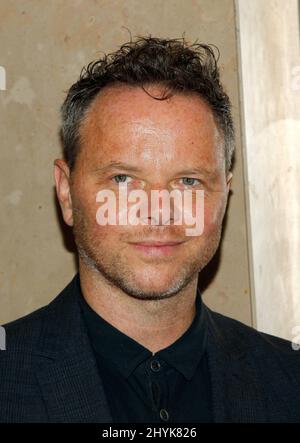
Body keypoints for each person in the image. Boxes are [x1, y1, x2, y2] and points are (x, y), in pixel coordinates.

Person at [1, 36, 300, 423]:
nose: (159, 211)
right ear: (67, 193)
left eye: (189, 182)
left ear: (224, 195)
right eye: (123, 178)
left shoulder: (289, 382)